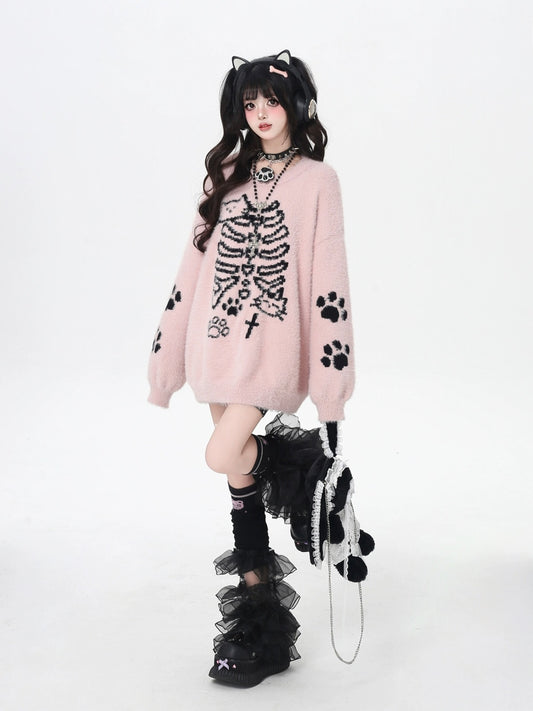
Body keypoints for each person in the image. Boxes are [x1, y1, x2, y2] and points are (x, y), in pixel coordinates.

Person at [147, 49, 374, 687]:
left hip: (271, 353)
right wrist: (166, 358)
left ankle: (312, 477)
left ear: (296, 104)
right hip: (213, 346)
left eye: (272, 100)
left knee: (223, 453)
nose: (261, 113)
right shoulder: (226, 173)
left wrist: (330, 391)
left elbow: (330, 285)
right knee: (238, 478)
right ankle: (260, 626)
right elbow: (190, 270)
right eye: (250, 103)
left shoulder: (318, 182)